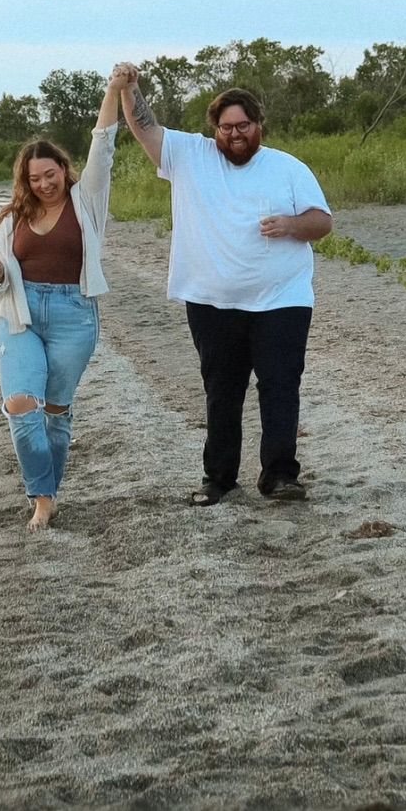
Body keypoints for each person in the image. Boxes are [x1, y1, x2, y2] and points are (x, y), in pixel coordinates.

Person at [112, 63, 331, 506]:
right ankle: (219, 478)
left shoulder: (288, 168)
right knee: (222, 390)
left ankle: (280, 475)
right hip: (212, 301)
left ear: (259, 126)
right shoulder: (189, 156)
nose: (235, 134)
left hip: (282, 300)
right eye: (227, 127)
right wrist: (129, 87)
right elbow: (144, 127)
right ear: (215, 129)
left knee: (281, 385)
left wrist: (291, 224)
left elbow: (322, 222)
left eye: (243, 126)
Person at [0, 76, 122, 530]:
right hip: (19, 317)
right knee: (22, 404)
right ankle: (41, 497)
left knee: (57, 411)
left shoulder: (88, 201)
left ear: (64, 169)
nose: (43, 184)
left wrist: (114, 90)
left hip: (72, 317)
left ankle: (51, 492)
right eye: (33, 178)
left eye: (50, 175)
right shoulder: (11, 218)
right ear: (24, 180)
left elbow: (103, 145)